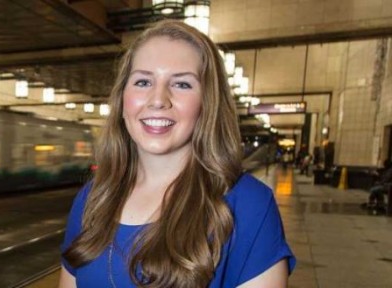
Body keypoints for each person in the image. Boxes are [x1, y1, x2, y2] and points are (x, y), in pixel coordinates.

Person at [59, 20, 295, 288]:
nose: (158, 99)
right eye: (143, 81)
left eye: (182, 84)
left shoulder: (248, 205)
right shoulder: (93, 199)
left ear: (208, 103)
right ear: (123, 98)